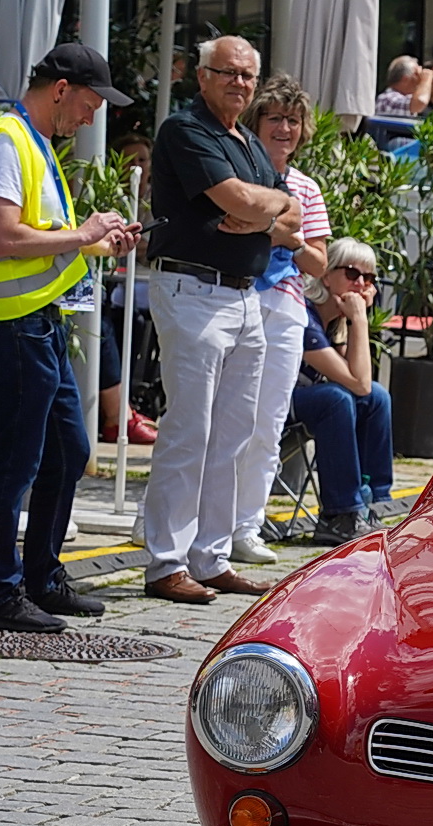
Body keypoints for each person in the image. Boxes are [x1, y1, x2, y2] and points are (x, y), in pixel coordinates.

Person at [0, 44, 140, 633]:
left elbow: (43, 239)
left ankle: (41, 578)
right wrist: (83, 233)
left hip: (39, 323)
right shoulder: (7, 139)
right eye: (91, 105)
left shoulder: (35, 141)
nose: (92, 119)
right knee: (16, 461)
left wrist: (98, 242)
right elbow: (4, 238)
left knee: (69, 450)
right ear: (62, 89)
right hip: (12, 325)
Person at [141, 35, 298, 605]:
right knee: (189, 430)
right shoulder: (186, 131)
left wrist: (262, 214)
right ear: (202, 76)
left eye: (248, 75)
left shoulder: (249, 142)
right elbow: (239, 200)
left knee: (234, 434)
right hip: (193, 289)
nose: (240, 83)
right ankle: (166, 563)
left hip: (245, 295)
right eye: (228, 72)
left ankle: (210, 557)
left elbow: (292, 215)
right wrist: (261, 209)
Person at [232, 72, 330, 565]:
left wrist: (289, 239)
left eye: (293, 120)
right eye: (275, 118)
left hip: (286, 306)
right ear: (257, 122)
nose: (285, 128)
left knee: (268, 421)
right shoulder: (236, 175)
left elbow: (320, 263)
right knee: (219, 417)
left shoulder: (306, 188)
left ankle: (246, 527)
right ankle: (190, 521)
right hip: (235, 296)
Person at [291, 239, 392, 543]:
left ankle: (374, 502)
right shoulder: (304, 316)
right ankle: (339, 514)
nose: (360, 284)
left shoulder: (335, 321)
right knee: (335, 399)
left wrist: (355, 320)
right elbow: (356, 382)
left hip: (304, 401)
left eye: (368, 278)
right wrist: (359, 318)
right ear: (325, 275)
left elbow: (362, 384)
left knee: (377, 398)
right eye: (351, 273)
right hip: (273, 403)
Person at [100, 132, 157, 446]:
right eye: (129, 160)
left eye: (142, 159)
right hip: (115, 283)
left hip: (145, 285)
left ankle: (128, 398)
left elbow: (155, 246)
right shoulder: (107, 197)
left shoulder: (157, 197)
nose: (136, 166)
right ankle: (116, 406)